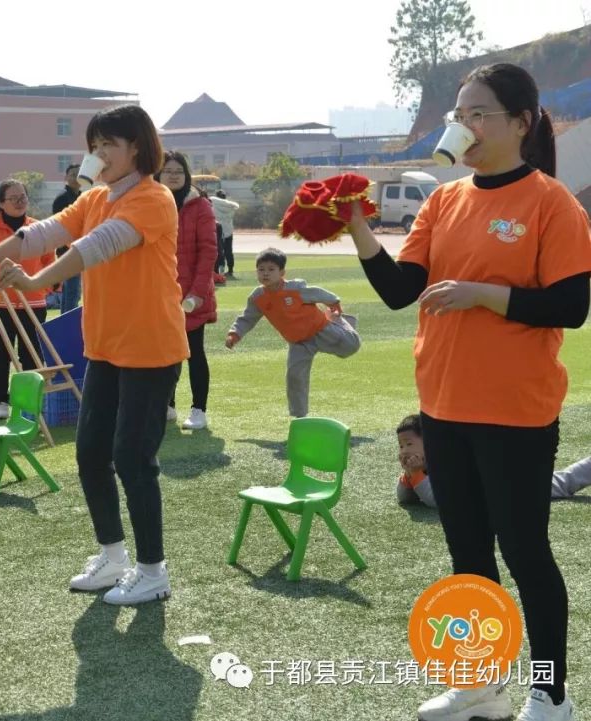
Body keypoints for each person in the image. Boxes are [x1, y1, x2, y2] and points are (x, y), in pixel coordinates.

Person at [349, 63, 591, 721]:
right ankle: (481, 684)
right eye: (461, 113)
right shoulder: (443, 201)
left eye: (480, 113)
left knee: (527, 555)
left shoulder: (551, 203)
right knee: (468, 555)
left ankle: (551, 694)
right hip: (445, 408)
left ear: (521, 123)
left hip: (516, 412)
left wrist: (482, 294)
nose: (466, 125)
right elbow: (401, 290)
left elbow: (571, 305)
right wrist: (355, 223)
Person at [0, 105, 187, 605]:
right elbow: (38, 235)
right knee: (89, 453)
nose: (99, 154)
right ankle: (113, 557)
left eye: (110, 144)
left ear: (137, 149)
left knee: (133, 457)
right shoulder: (97, 197)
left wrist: (38, 280)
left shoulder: (155, 198)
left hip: (151, 347)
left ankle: (153, 570)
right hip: (104, 347)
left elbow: (100, 246)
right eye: (95, 144)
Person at [225, 248, 361, 418]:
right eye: (261, 269)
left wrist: (333, 301)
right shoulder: (257, 297)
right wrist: (234, 334)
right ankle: (300, 416)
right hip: (298, 343)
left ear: (282, 272)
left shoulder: (295, 288)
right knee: (295, 376)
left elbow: (317, 292)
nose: (265, 274)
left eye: (271, 269)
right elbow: (247, 318)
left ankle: (339, 320)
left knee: (351, 346)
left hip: (321, 329)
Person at [0, 179, 55, 419]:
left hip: (34, 302)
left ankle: (29, 402)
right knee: (0, 352)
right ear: (1, 203)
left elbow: (50, 263)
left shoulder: (38, 228)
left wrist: (44, 288)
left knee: (31, 354)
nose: (20, 202)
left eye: (23, 197)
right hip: (0, 303)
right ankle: (0, 401)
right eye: (14, 198)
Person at [395, 414, 591, 508]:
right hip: (501, 485)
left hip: (512, 484)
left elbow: (438, 501)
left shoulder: (446, 459)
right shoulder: (423, 468)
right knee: (561, 481)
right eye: (401, 445)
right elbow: (405, 499)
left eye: (409, 443)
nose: (404, 450)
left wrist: (416, 475)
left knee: (563, 483)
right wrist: (408, 476)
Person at [155, 151, 217, 430]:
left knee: (194, 352)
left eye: (178, 170)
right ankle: (167, 405)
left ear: (187, 174)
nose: (173, 175)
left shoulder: (200, 206)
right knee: (164, 352)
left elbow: (208, 252)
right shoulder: (152, 203)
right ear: (158, 174)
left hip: (193, 293)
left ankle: (199, 409)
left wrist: (197, 292)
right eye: (168, 170)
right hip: (159, 292)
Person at [52, 163, 83, 312]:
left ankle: (66, 319)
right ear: (66, 177)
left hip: (82, 247)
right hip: (67, 249)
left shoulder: (83, 197)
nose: (76, 178)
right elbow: (58, 225)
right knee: (72, 291)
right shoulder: (62, 199)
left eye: (79, 174)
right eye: (72, 174)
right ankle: (67, 323)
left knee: (73, 292)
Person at [211, 190, 239, 279]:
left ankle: (219, 270)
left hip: (218, 230)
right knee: (229, 251)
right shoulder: (231, 207)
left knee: (219, 251)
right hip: (229, 231)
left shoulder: (214, 204)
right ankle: (230, 270)